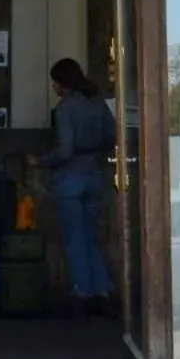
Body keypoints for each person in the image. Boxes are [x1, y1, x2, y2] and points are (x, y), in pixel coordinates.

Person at [44, 57, 116, 318]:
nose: (54, 88)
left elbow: (64, 150)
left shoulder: (65, 109)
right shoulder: (97, 103)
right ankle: (103, 290)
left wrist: (41, 161)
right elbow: (112, 136)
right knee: (91, 237)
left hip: (70, 178)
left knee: (74, 238)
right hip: (96, 175)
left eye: (55, 83)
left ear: (62, 83)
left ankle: (81, 292)